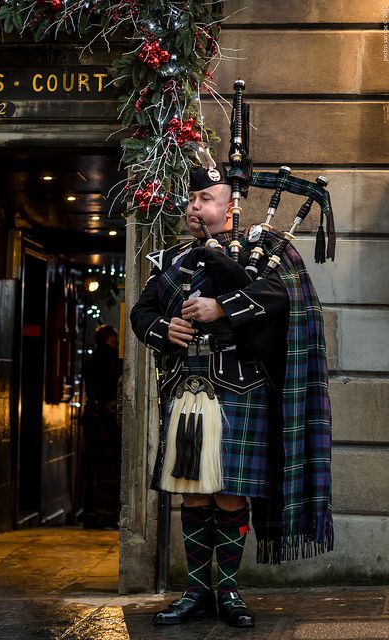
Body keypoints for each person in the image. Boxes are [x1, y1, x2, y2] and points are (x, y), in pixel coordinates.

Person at [130, 165, 333, 628]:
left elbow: (283, 295)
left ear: (230, 207)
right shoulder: (170, 260)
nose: (195, 206)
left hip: (242, 391)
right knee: (194, 494)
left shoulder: (267, 251)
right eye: (191, 199)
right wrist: (166, 329)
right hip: (187, 393)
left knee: (230, 494)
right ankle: (197, 591)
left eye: (205, 198)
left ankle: (229, 591)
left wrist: (222, 306)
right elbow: (141, 312)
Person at [82, 324, 122, 529]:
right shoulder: (113, 361)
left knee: (93, 466)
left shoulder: (92, 361)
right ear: (110, 339)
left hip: (92, 416)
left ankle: (91, 512)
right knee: (110, 466)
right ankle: (105, 514)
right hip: (106, 420)